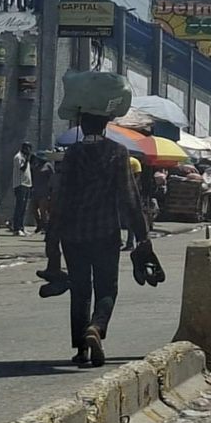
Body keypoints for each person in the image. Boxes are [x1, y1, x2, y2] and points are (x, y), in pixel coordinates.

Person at [52, 107, 149, 368]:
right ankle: (96, 326)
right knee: (106, 287)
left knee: (80, 290)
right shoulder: (117, 153)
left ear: (82, 127)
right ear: (105, 127)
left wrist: (52, 238)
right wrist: (142, 236)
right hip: (105, 232)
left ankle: (82, 349)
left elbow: (60, 198)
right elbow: (130, 198)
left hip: (72, 234)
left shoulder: (72, 154)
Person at [11, 142, 34, 236]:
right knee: (19, 207)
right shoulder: (18, 157)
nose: (29, 151)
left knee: (24, 208)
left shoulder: (24, 157)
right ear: (24, 148)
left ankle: (21, 227)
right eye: (28, 148)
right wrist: (27, 159)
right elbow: (22, 169)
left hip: (27, 185)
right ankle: (16, 228)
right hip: (20, 185)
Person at [123, 155, 144, 251]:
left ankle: (130, 242)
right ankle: (131, 242)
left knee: (130, 220)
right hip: (132, 194)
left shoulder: (131, 162)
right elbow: (138, 177)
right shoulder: (134, 161)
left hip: (129, 194)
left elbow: (137, 177)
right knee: (131, 220)